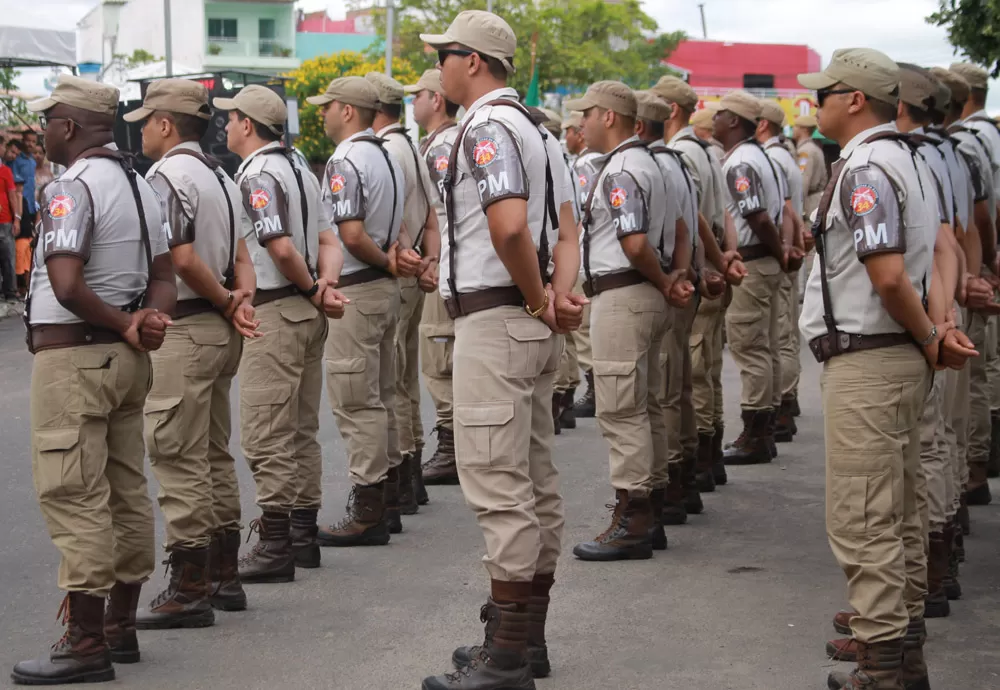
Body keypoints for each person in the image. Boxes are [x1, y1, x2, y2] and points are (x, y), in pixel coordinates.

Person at [418, 10, 585, 688]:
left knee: (498, 485)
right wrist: (555, 297)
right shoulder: (540, 132)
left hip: (497, 319)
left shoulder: (486, 127)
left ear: (474, 61)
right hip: (529, 322)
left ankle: (507, 657)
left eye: (445, 55)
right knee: (534, 481)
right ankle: (525, 638)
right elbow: (568, 230)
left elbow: (511, 227)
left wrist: (540, 297)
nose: (438, 67)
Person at [798, 48, 968, 690]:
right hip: (895, 355)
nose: (815, 104)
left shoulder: (867, 166)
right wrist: (937, 327)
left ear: (854, 100)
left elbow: (890, 275)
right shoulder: (911, 158)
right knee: (899, 512)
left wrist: (929, 332)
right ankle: (904, 651)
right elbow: (940, 251)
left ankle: (883, 667)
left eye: (824, 93)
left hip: (871, 358)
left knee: (863, 517)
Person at [12, 74, 175, 684]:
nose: (42, 132)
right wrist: (145, 318)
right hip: (124, 360)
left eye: (48, 121)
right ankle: (119, 626)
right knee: (125, 486)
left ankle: (85, 641)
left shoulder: (71, 186)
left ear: (70, 125)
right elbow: (164, 275)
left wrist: (127, 322)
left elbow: (66, 284)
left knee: (73, 491)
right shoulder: (139, 185)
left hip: (75, 358)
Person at [121, 78, 262, 627]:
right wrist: (238, 301)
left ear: (165, 124)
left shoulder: (167, 176)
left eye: (145, 121)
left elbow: (178, 257)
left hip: (186, 328)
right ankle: (224, 575)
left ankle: (190, 586)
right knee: (213, 454)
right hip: (219, 327)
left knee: (178, 457)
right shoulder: (221, 175)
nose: (141, 131)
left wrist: (228, 301)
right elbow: (243, 256)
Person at [216, 85, 344, 582]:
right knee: (300, 430)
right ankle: (302, 535)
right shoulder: (300, 169)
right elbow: (329, 241)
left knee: (267, 433)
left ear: (248, 124)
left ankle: (275, 544)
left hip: (277, 309)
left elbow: (281, 248)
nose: (226, 126)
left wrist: (313, 287)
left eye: (231, 118)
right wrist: (324, 286)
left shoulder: (258, 174)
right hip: (306, 311)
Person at [564, 81, 691, 562]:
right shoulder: (652, 162)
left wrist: (663, 280)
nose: (582, 124)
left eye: (588, 114)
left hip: (625, 295)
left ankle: (633, 518)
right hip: (644, 294)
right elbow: (682, 229)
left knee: (621, 409)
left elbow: (634, 243)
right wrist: (674, 277)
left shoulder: (621, 168)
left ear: (609, 116)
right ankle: (650, 509)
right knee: (646, 404)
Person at [308, 76, 411, 545]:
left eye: (327, 105)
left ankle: (369, 509)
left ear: (347, 110)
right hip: (382, 289)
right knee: (382, 394)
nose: (322, 113)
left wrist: (384, 261)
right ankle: (387, 499)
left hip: (358, 287)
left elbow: (350, 234)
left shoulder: (347, 159)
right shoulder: (385, 154)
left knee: (356, 401)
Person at [655, 76, 747, 494]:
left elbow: (689, 216)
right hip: (709, 262)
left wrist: (712, 261)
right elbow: (724, 212)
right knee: (700, 371)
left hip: (696, 267)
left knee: (682, 376)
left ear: (671, 109)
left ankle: (690, 467)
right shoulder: (706, 150)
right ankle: (703, 461)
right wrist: (727, 254)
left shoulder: (682, 151)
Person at [637, 89, 725, 524]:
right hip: (690, 273)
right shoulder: (688, 155)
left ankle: (675, 482)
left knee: (669, 387)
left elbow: (685, 226)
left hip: (674, 278)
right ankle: (688, 475)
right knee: (684, 381)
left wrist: (684, 273)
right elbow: (701, 222)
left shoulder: (669, 158)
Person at [365, 71, 440, 518]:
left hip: (398, 270)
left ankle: (399, 479)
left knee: (390, 381)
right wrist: (429, 260)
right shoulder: (409, 145)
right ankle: (410, 477)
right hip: (413, 270)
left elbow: (395, 220)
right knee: (404, 377)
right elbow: (430, 215)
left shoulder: (387, 150)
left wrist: (411, 257)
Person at [714, 90, 800, 465]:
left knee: (750, 349)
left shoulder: (741, 162)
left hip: (752, 262)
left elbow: (758, 217)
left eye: (720, 113)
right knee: (766, 347)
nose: (714, 119)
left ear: (735, 121)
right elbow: (783, 213)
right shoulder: (762, 156)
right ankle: (766, 425)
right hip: (765, 260)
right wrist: (783, 251)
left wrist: (780, 251)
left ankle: (755, 433)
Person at [406, 68, 459, 490]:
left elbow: (445, 212)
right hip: (445, 262)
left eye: (418, 95)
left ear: (436, 99)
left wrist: (434, 259)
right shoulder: (437, 143)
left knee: (440, 360)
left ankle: (452, 447)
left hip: (442, 264)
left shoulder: (442, 147)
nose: (413, 102)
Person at [757, 100, 807, 443]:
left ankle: (784, 406)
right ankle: (786, 400)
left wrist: (784, 249)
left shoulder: (773, 158)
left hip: (780, 252)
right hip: (787, 250)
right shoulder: (784, 156)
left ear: (762, 125)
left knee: (779, 335)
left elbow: (785, 211)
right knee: (782, 333)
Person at [566, 111, 600, 420]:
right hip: (588, 254)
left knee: (583, 329)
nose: (567, 137)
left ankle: (595, 387)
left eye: (570, 130)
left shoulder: (586, 164)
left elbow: (584, 215)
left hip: (583, 253)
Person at [0, 145, 17, 302]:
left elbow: (12, 195)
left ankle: (10, 291)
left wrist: (16, 218)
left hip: (4, 221)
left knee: (8, 257)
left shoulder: (5, 171)